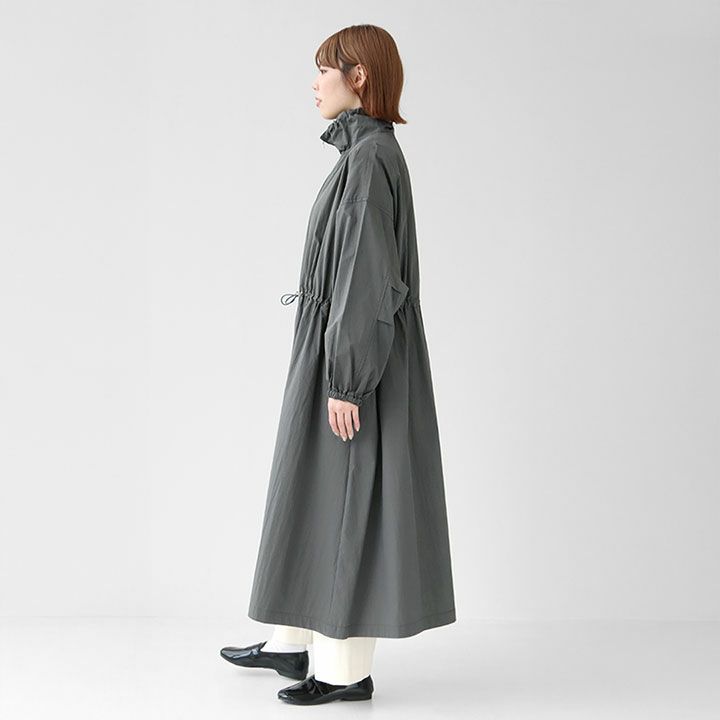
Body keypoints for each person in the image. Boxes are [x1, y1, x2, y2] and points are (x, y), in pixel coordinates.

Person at [220, 24, 456, 706]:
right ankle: (292, 640)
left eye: (324, 70)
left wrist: (348, 380)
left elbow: (365, 277)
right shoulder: (361, 155)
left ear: (359, 76)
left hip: (357, 358)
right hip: (335, 346)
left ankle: (344, 672)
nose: (314, 83)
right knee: (314, 488)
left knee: (351, 499)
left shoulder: (371, 158)